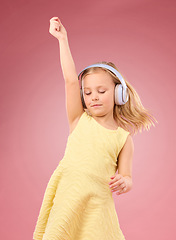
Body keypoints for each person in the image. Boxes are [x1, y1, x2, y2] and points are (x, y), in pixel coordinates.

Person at [33, 16, 157, 240]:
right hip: (68, 198)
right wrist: (63, 39)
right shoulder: (79, 119)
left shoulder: (123, 138)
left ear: (119, 94)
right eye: (88, 92)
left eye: (102, 91)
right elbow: (71, 80)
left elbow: (127, 176)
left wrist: (125, 182)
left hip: (97, 204)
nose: (94, 97)